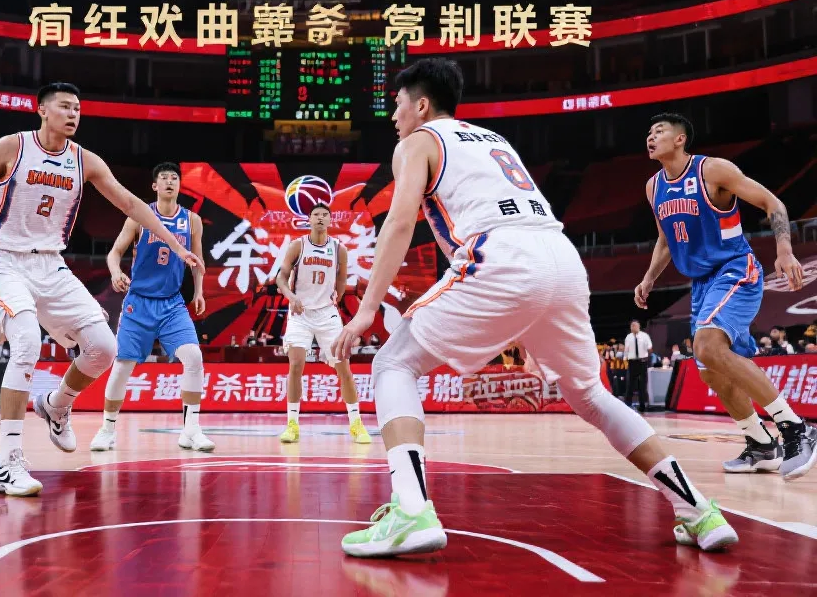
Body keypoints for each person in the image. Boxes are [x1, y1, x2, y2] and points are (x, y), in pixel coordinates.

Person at [331, 59, 737, 557]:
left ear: (421, 105)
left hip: (501, 255)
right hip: (561, 259)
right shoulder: (494, 140)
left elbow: (398, 223)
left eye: (397, 105)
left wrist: (367, 309)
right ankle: (699, 510)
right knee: (590, 396)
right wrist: (524, 323)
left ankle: (410, 511)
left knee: (393, 364)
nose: (393, 117)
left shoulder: (417, 142)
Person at [0, 84, 203, 496]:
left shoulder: (84, 160)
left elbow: (131, 204)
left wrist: (178, 246)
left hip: (51, 263)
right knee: (26, 341)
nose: (73, 113)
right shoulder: (12, 147)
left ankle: (56, 405)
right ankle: (6, 463)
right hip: (5, 257)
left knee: (104, 348)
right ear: (42, 110)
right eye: (65, 107)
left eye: (77, 108)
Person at [636, 113, 814, 480]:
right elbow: (666, 238)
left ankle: (797, 428)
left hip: (735, 269)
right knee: (712, 372)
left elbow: (773, 204)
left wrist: (784, 250)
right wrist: (650, 277)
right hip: (702, 284)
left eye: (659, 131)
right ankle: (761, 444)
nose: (651, 137)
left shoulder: (712, 170)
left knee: (706, 347)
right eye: (649, 132)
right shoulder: (654, 187)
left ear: (680, 139)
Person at [90, 162, 213, 453]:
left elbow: (197, 261)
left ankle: (191, 430)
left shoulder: (192, 220)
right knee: (122, 366)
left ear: (179, 185)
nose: (170, 182)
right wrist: (115, 272)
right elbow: (115, 252)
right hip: (139, 302)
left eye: (174, 178)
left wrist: (199, 291)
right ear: (155, 186)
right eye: (164, 178)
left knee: (193, 357)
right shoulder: (139, 216)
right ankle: (107, 430)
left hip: (172, 303)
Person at [273, 203, 371, 445]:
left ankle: (356, 423)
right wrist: (291, 297)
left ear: (330, 220)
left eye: (324, 215)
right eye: (316, 214)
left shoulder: (338, 249)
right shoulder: (298, 245)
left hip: (327, 314)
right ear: (309, 220)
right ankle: (292, 424)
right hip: (301, 313)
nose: (320, 218)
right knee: (296, 365)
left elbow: (341, 279)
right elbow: (281, 277)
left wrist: (335, 298)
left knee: (343, 368)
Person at [623, 320, 652, 411]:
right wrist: (625, 359)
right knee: (630, 384)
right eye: (631, 326)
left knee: (642, 385)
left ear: (638, 326)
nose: (632, 327)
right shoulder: (628, 337)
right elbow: (626, 350)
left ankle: (642, 405)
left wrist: (647, 357)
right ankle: (627, 405)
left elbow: (649, 347)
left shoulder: (644, 336)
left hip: (642, 362)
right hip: (632, 362)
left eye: (634, 325)